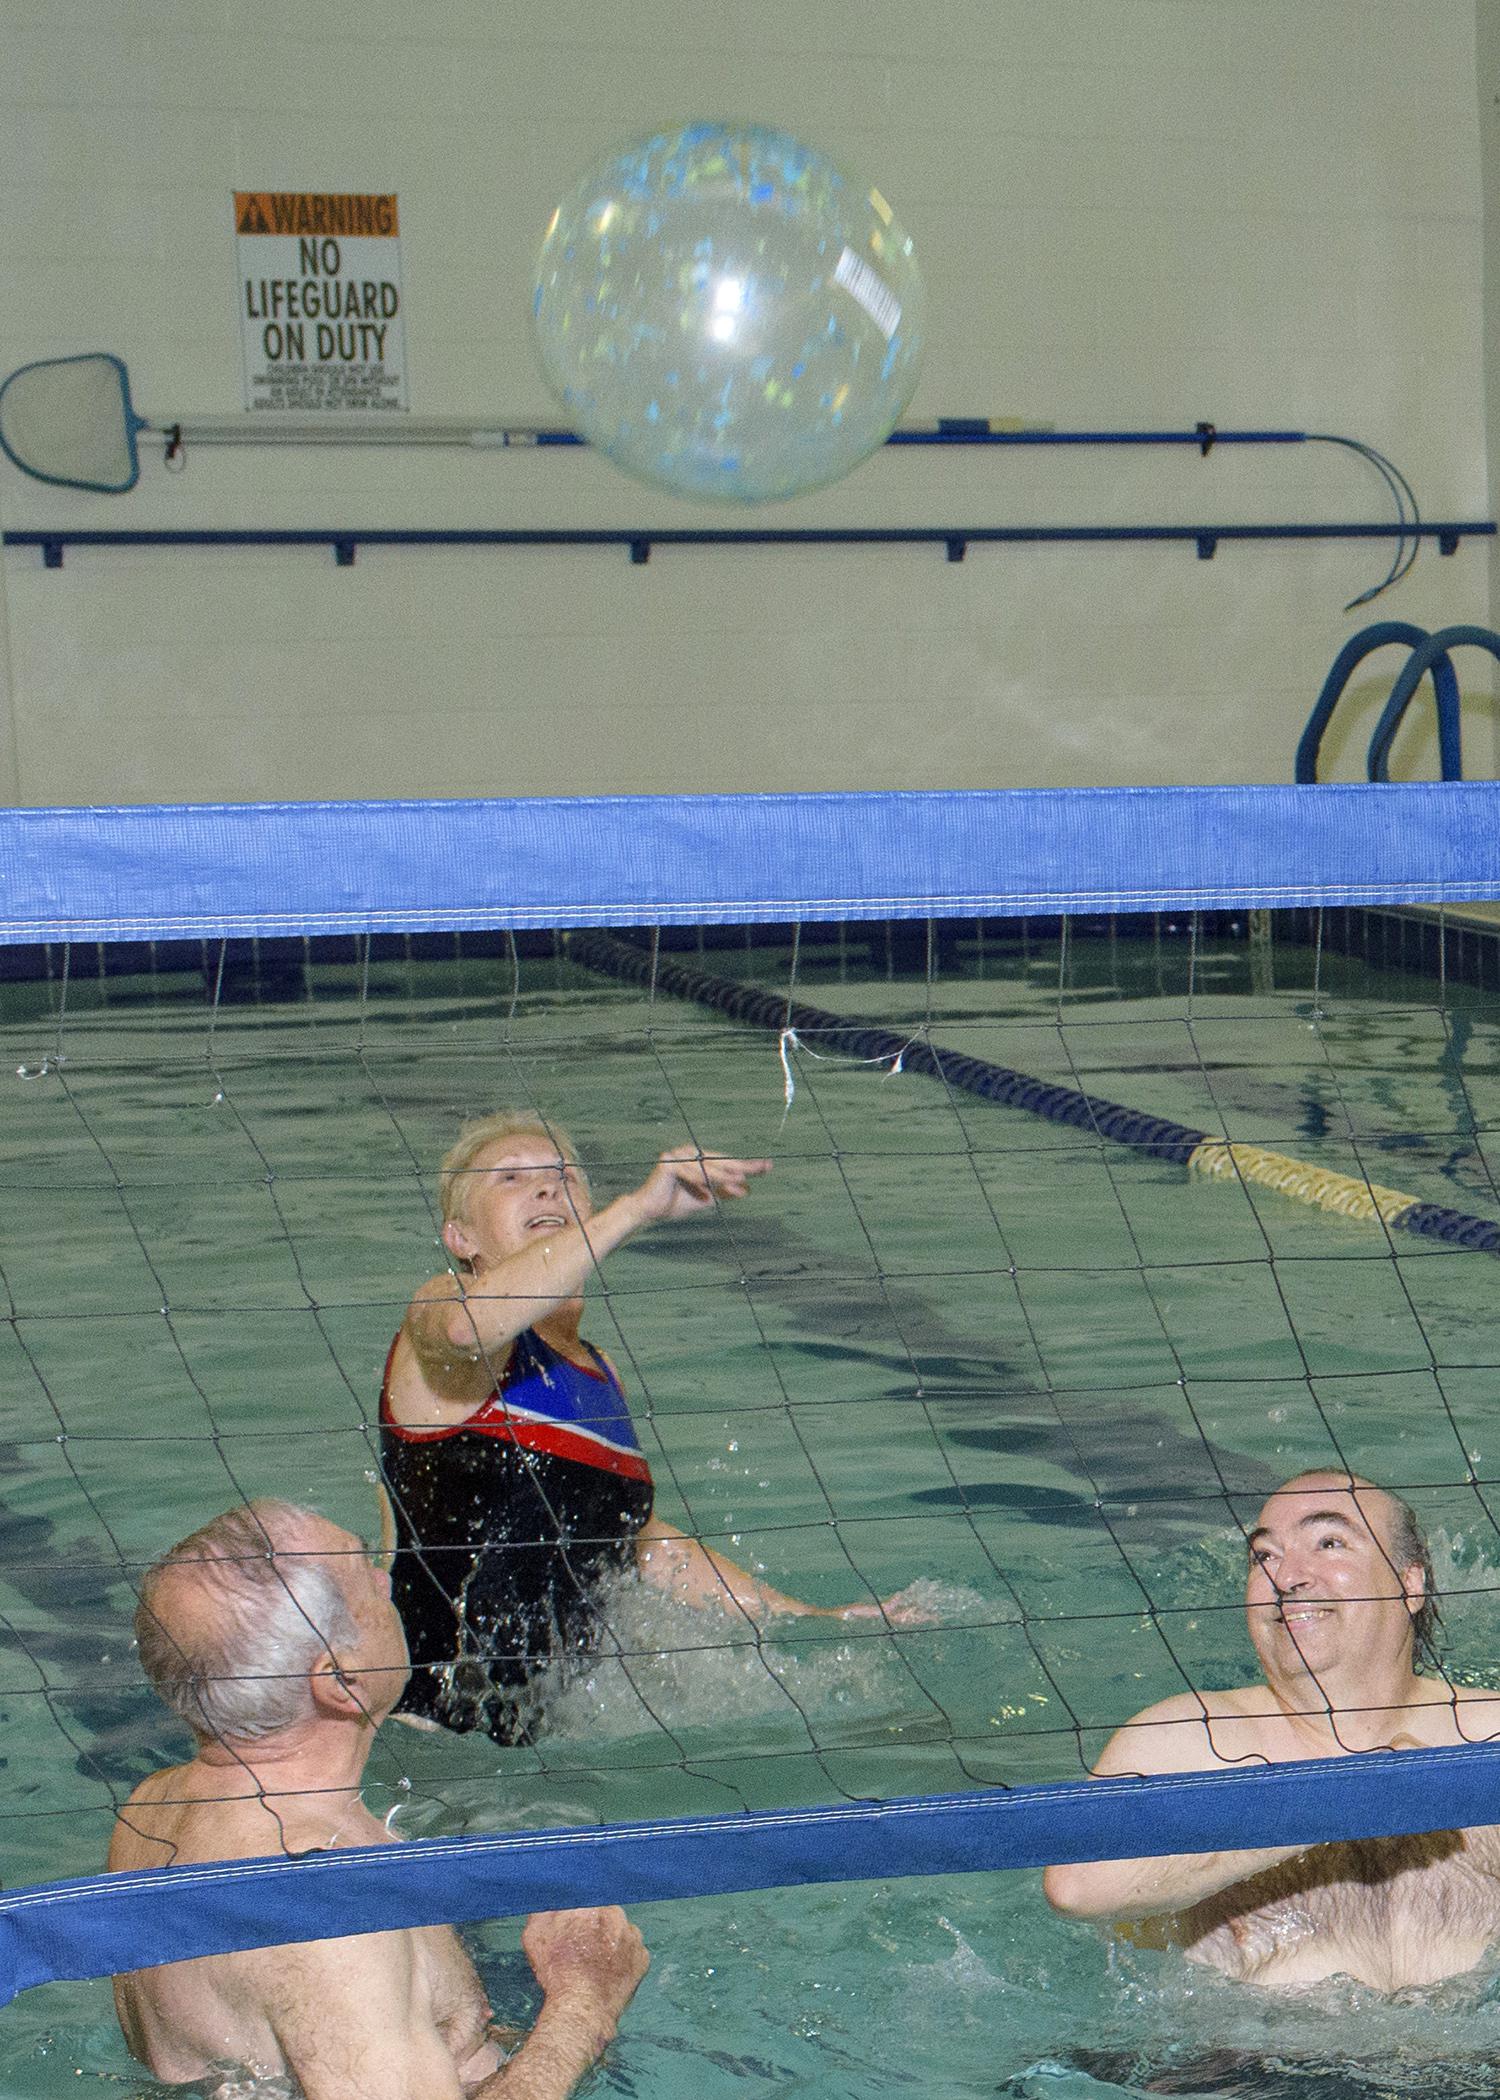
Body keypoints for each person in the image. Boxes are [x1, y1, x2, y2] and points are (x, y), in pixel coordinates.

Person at [379, 1111, 921, 1744]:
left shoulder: (599, 1373)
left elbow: (636, 1544)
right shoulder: (438, 1311)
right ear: (461, 1236)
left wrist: (809, 1617)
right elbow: (471, 1327)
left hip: (533, 1738)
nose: (549, 1188)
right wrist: (636, 1208)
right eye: (510, 1178)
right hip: (416, 1739)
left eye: (565, 1178)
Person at [111, 1498, 648, 2100]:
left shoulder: (156, 1805)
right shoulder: (334, 1910)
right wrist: (583, 2005)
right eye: (362, 1569)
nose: (385, 1577)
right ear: (342, 1681)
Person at [1042, 1468, 1500, 1993]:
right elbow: (1076, 1889)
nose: (1289, 1577)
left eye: (1329, 1543)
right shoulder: (1191, 1736)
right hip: (1244, 2067)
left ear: (1408, 1582)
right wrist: (1323, 1806)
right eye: (1266, 1556)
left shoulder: (1489, 1737)